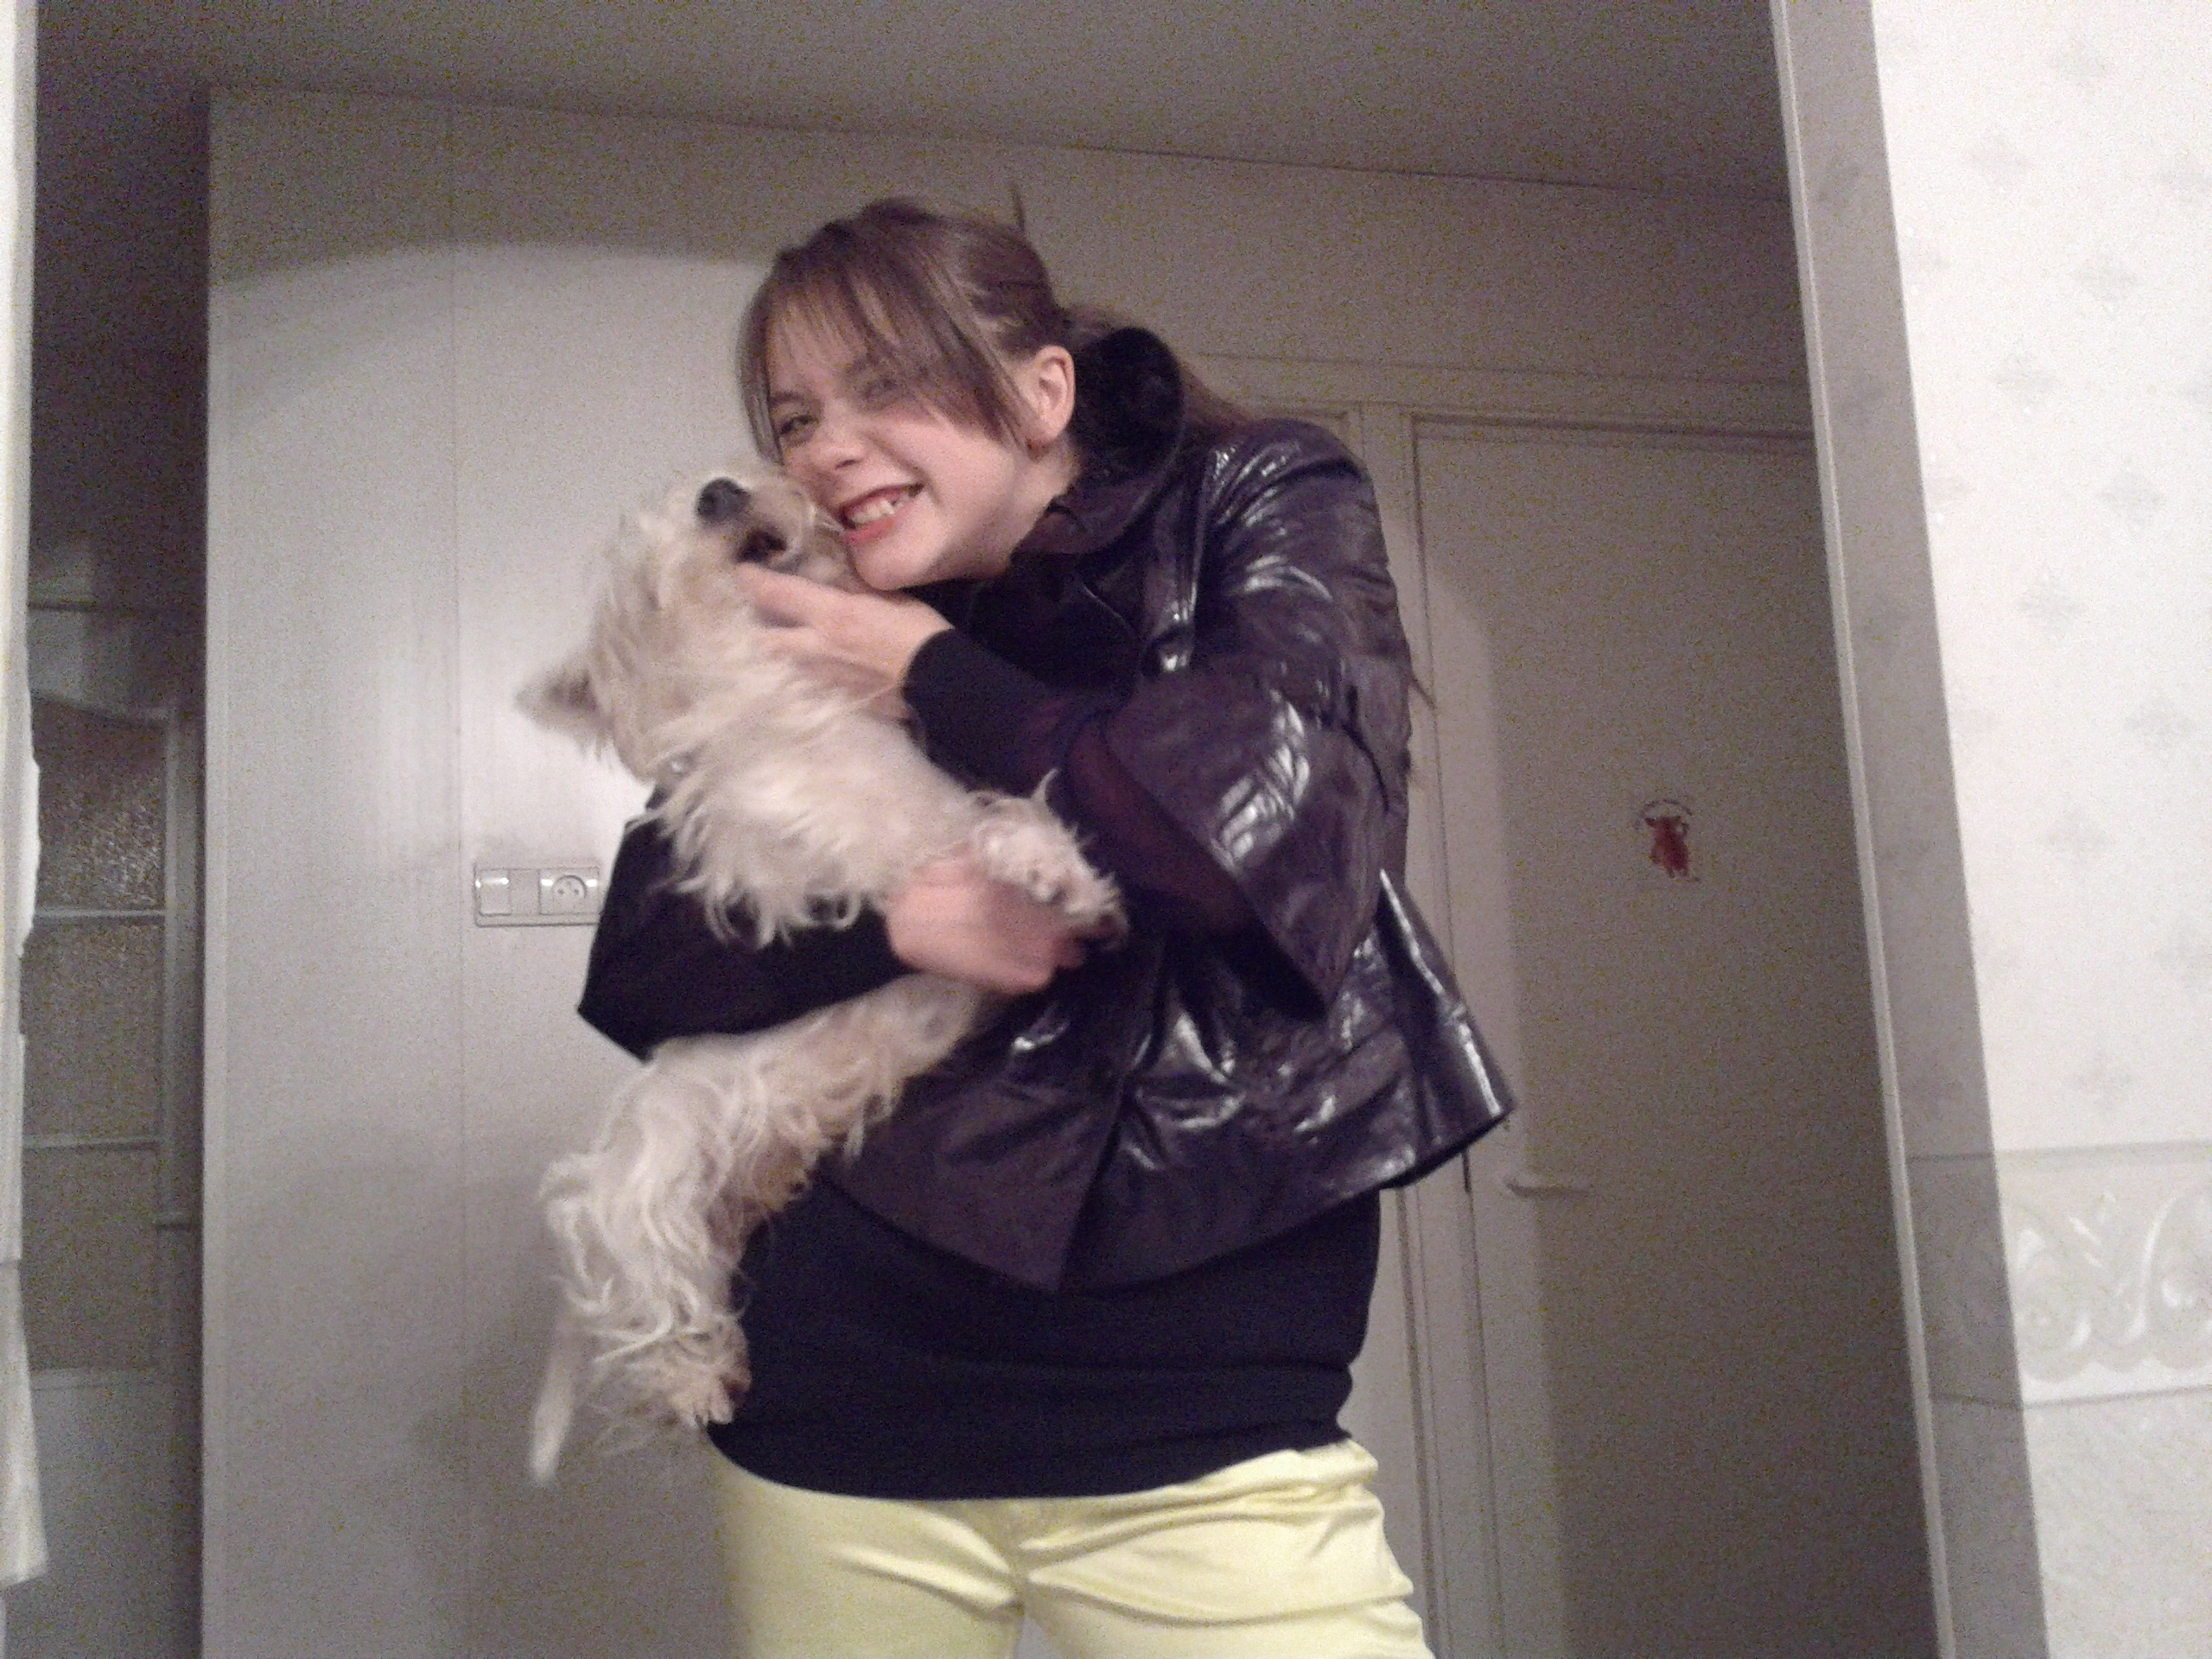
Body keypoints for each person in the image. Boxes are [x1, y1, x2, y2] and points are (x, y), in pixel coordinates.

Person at [575, 199, 1510, 1659]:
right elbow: (640, 964)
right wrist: (896, 922)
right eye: (797, 417)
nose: (826, 449)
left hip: (1195, 1414)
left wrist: (935, 672)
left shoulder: (1258, 493)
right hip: (839, 1415)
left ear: (1041, 389)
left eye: (883, 386)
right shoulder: (822, 597)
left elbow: (1256, 846)